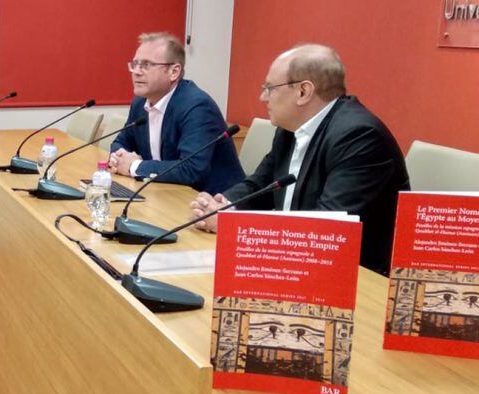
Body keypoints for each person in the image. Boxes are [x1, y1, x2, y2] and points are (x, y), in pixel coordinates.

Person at [188, 43, 409, 275]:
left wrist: (235, 226)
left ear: (303, 92)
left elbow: (328, 227)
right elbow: (259, 185)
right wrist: (222, 205)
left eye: (270, 88)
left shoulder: (359, 136)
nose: (262, 97)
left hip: (358, 277)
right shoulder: (290, 128)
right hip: (299, 265)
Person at [108, 32, 245, 195]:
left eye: (146, 65)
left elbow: (191, 169)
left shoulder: (197, 106)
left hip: (212, 202)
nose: (136, 71)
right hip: (164, 193)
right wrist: (119, 158)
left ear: (174, 72)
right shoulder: (140, 103)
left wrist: (134, 166)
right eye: (135, 64)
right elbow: (121, 142)